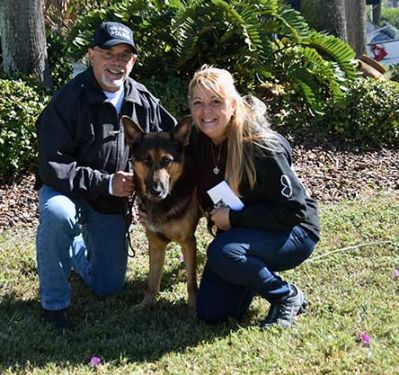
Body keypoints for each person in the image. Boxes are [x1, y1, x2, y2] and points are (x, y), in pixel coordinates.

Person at [35, 21, 176, 330]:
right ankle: (54, 305)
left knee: (109, 286)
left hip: (110, 203)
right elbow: (52, 165)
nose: (116, 62)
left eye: (124, 55)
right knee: (58, 215)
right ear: (92, 56)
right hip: (66, 191)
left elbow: (175, 144)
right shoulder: (67, 101)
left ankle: (73, 251)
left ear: (134, 62)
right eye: (108, 53)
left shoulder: (143, 100)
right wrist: (106, 182)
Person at [188, 66, 320, 328]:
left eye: (216, 102)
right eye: (198, 103)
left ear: (234, 105)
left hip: (294, 230)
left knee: (223, 252)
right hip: (245, 231)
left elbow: (294, 211)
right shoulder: (197, 140)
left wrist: (234, 218)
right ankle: (249, 272)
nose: (206, 112)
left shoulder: (261, 146)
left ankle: (286, 296)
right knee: (212, 313)